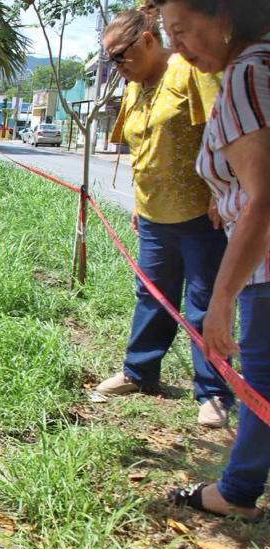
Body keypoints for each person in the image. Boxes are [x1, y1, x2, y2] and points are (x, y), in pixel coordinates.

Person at [153, 0, 270, 520]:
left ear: (224, 17)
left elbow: (264, 198)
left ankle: (237, 492)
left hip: (264, 264)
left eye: (181, 31)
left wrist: (221, 300)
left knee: (261, 378)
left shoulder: (246, 74)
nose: (177, 48)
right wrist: (226, 200)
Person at [94, 4, 233, 428]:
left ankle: (213, 392)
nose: (117, 66)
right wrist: (139, 202)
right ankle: (139, 372)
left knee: (203, 302)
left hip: (200, 214)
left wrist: (221, 192)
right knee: (152, 295)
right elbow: (140, 149)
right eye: (110, 60)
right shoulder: (133, 87)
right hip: (155, 215)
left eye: (120, 56)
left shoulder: (190, 71)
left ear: (148, 40)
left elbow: (222, 132)